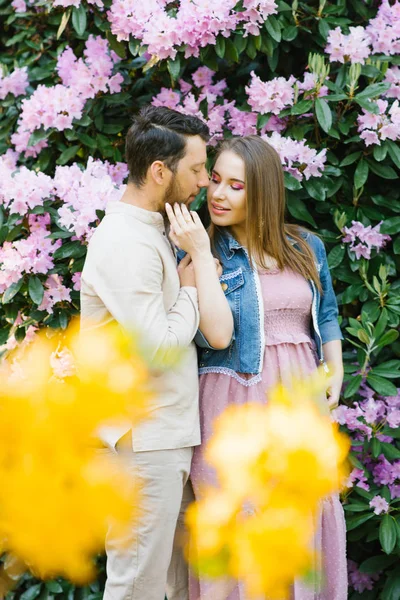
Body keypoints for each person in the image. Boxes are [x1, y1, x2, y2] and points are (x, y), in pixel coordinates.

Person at [168, 135, 347, 600]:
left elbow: (325, 314)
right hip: (232, 404)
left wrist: (336, 370)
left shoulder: (305, 245)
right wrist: (203, 258)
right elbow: (214, 335)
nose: (218, 194)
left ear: (263, 191)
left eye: (236, 186)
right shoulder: (199, 253)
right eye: (215, 180)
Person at [80, 105, 233, 600]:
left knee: (169, 585)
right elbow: (162, 348)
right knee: (137, 586)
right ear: (159, 171)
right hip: (142, 443)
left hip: (161, 436)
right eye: (194, 170)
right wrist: (190, 289)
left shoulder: (150, 231)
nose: (203, 183)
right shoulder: (126, 242)